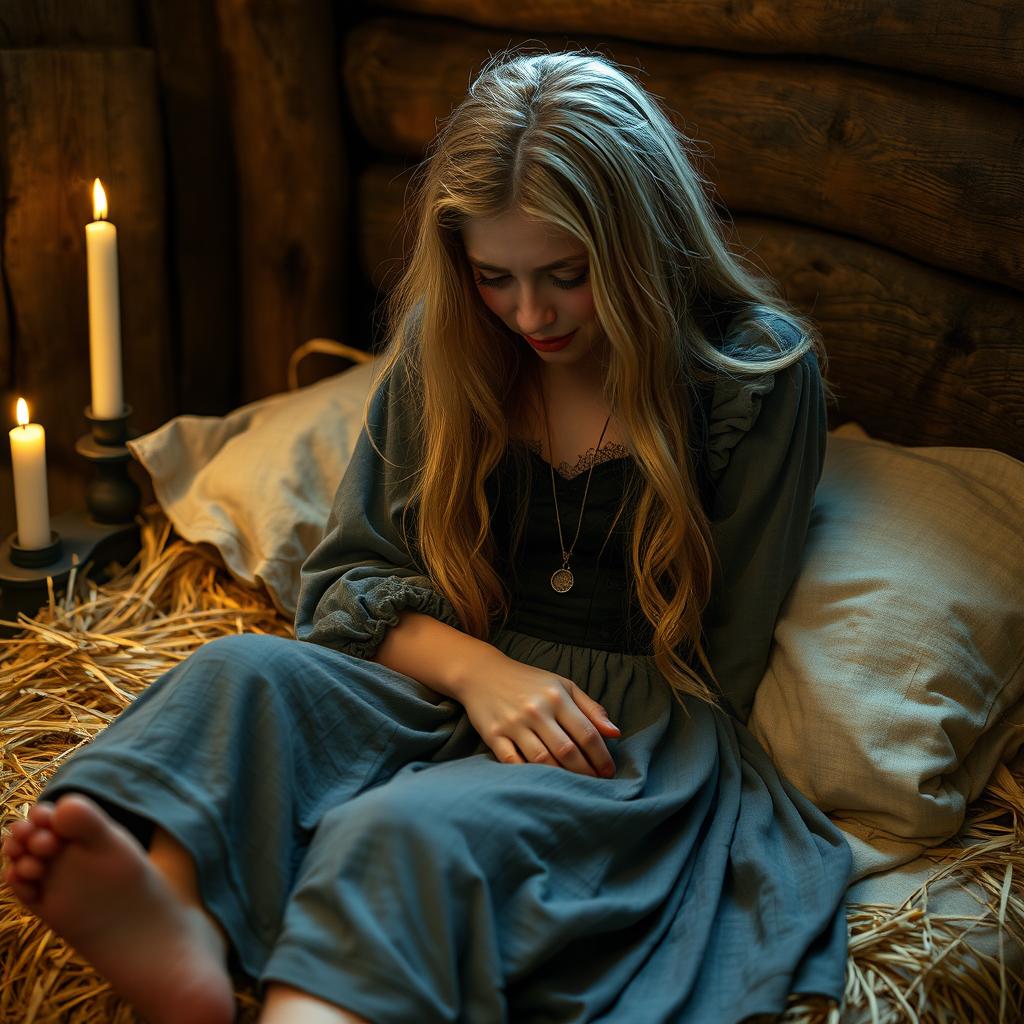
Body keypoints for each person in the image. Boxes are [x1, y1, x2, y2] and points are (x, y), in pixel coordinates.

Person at [1, 46, 852, 1024]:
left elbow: (725, 656)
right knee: (234, 677)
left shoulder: (753, 379)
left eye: (565, 277)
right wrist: (480, 674)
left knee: (396, 829)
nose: (529, 313)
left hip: (622, 740)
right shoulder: (449, 350)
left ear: (641, 244)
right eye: (495, 276)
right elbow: (346, 586)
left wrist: (535, 700)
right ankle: (180, 924)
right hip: (444, 681)